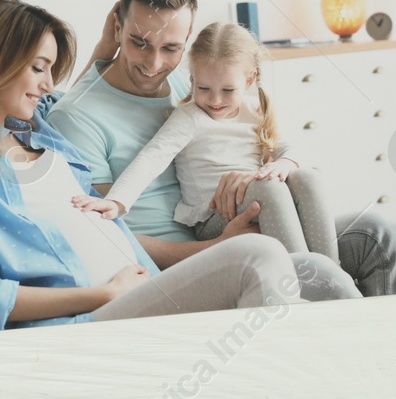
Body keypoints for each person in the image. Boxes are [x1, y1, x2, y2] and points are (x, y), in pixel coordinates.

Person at [0, 0, 304, 334]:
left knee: (328, 275)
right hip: (90, 317)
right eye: (39, 68)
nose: (48, 83)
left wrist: (108, 49)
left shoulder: (38, 128)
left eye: (52, 70)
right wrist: (104, 293)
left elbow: (70, 101)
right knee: (261, 256)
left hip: (148, 289)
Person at [52, 0, 396, 298]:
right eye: (139, 42)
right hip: (188, 258)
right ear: (118, 27)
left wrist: (265, 173)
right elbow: (103, 233)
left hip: (252, 220)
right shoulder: (78, 117)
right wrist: (217, 246)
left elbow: (265, 141)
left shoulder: (195, 83)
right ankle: (312, 290)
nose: (154, 64)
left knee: (383, 237)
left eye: (172, 48)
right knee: (327, 283)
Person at [76, 21, 338, 263]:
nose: (214, 100)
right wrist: (117, 202)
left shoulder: (255, 111)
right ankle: (304, 282)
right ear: (192, 80)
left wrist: (285, 163)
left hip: (255, 198)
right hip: (212, 217)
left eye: (227, 90)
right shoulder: (189, 117)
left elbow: (288, 148)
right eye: (203, 88)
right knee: (269, 187)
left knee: (307, 177)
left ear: (248, 80)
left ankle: (330, 270)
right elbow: (151, 158)